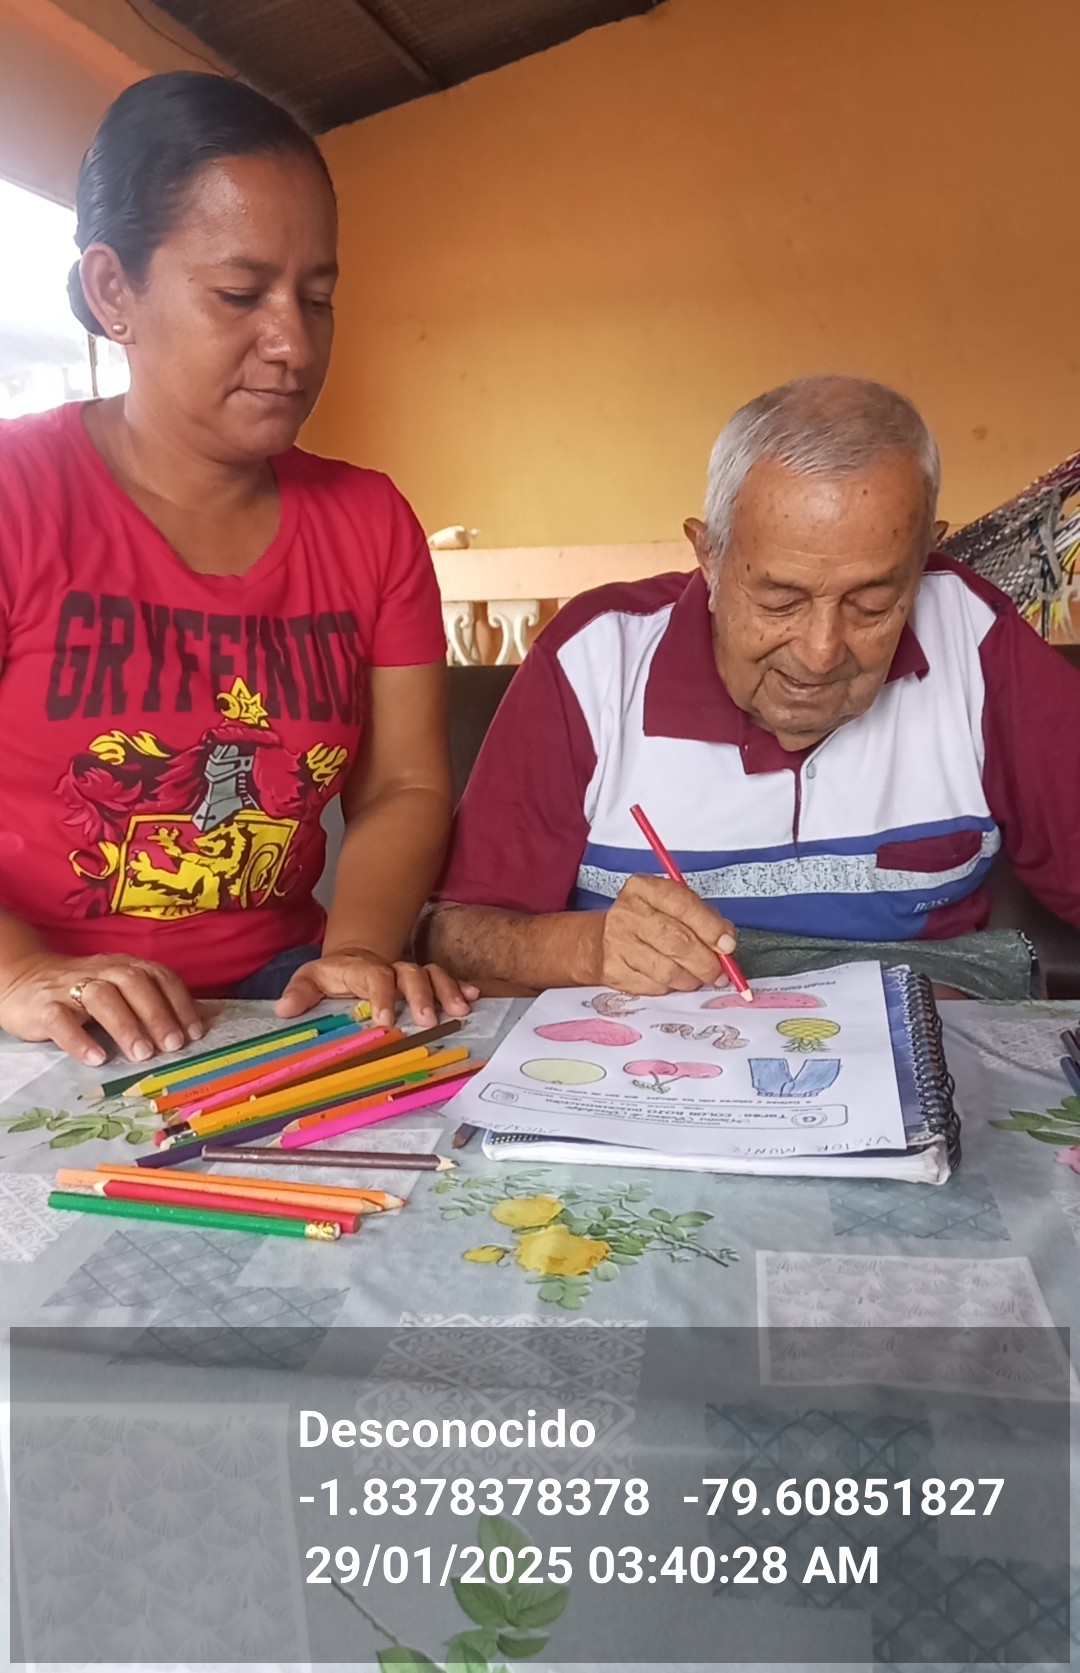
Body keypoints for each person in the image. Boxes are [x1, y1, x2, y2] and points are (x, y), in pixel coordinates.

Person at [0, 72, 476, 1069]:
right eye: (239, 294)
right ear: (113, 292)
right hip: (35, 1005)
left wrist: (356, 953)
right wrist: (20, 973)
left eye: (318, 298)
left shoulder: (371, 524)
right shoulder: (15, 497)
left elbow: (402, 783)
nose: (292, 342)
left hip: (275, 995)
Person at [423, 374, 1080, 997]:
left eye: (872, 604)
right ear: (708, 556)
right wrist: (586, 949)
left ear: (923, 559)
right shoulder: (596, 661)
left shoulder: (973, 637)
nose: (820, 652)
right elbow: (449, 935)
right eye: (780, 600)